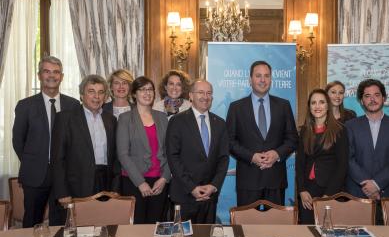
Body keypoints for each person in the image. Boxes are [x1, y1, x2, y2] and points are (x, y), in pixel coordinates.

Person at [12, 56, 80, 227]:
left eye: (56, 72)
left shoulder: (73, 105)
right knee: (32, 222)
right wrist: (34, 161)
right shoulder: (25, 105)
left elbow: (76, 141)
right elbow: (18, 141)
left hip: (64, 176)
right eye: (47, 71)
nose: (52, 75)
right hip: (35, 175)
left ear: (62, 76)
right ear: (39, 75)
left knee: (62, 223)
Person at [226, 60, 298, 206]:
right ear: (250, 79)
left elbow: (292, 139)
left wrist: (276, 154)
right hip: (248, 180)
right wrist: (252, 157)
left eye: (266, 76)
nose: (262, 80)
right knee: (246, 227)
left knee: (275, 227)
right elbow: (229, 142)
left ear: (271, 79)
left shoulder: (284, 105)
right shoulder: (236, 108)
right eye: (258, 76)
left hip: (275, 179)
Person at [52, 75, 117, 223]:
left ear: (106, 96)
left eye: (101, 92)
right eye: (91, 91)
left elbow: (115, 158)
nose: (96, 96)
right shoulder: (65, 118)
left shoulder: (111, 120)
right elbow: (57, 158)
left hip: (104, 184)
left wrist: (115, 188)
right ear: (82, 95)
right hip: (76, 185)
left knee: (103, 227)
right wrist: (62, 192)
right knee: (77, 231)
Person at [166, 79, 229, 224]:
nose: (205, 97)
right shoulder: (177, 121)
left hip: (209, 196)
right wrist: (192, 187)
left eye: (209, 93)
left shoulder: (220, 123)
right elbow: (173, 157)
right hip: (184, 195)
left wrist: (214, 185)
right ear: (191, 96)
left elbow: (223, 158)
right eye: (200, 92)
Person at [117, 76, 171, 224]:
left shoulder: (162, 117)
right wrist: (140, 182)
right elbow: (123, 154)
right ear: (134, 94)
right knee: (137, 228)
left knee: (156, 226)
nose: (147, 93)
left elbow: (170, 151)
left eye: (150, 90)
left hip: (159, 182)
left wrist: (165, 178)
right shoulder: (125, 118)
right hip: (134, 182)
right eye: (142, 89)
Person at [345, 79, 389, 202]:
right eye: (367, 96)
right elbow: (348, 158)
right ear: (361, 101)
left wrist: (376, 184)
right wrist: (367, 186)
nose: (372, 99)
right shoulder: (350, 126)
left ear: (384, 98)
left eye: (377, 95)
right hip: (358, 193)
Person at [296, 88, 348, 224]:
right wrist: (301, 190)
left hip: (331, 189)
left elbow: (342, 166)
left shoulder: (339, 130)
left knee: (329, 232)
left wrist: (328, 195)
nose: (317, 106)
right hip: (308, 191)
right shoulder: (305, 131)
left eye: (321, 102)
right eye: (313, 103)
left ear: (328, 106)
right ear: (309, 107)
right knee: (307, 232)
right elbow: (300, 163)